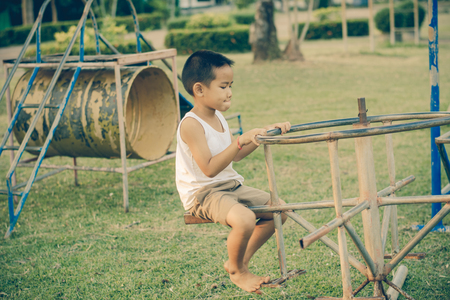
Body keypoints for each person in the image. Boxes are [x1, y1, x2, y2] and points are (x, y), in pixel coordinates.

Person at [176, 50, 291, 294]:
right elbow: (208, 168)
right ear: (199, 89)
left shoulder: (218, 117)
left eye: (231, 85)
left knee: (280, 210)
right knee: (245, 219)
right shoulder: (191, 124)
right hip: (204, 193)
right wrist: (239, 141)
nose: (229, 92)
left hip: (230, 186)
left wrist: (259, 134)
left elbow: (235, 155)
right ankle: (238, 273)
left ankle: (237, 262)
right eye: (223, 86)